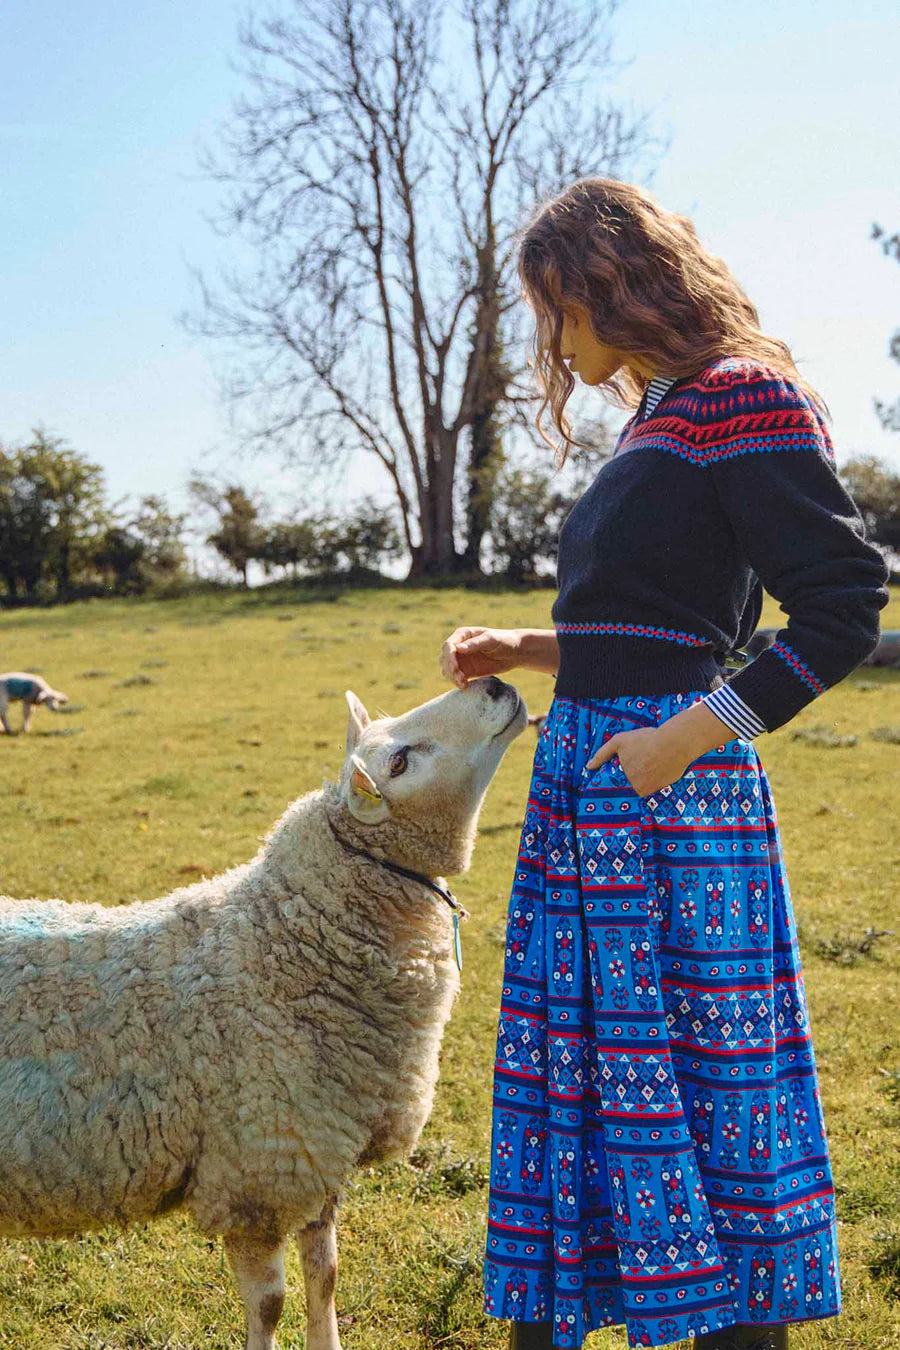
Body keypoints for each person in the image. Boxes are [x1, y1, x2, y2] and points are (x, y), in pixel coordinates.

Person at [438, 179, 889, 1350]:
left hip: (676, 803)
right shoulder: (661, 414)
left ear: (607, 286)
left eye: (556, 311)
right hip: (593, 789)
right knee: (587, 1083)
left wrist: (687, 739)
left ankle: (738, 1329)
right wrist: (530, 648)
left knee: (708, 1087)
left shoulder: (744, 397)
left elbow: (841, 609)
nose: (554, 341)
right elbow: (667, 615)